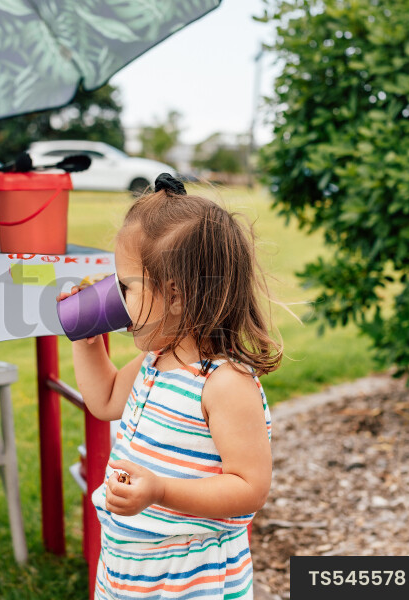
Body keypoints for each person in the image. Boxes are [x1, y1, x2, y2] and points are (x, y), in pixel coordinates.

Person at [59, 174, 280, 598]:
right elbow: (104, 401)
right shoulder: (157, 357)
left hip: (189, 576)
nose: (118, 298)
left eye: (127, 286)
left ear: (176, 296)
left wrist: (161, 491)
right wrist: (87, 343)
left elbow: (250, 488)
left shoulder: (224, 384)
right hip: (129, 567)